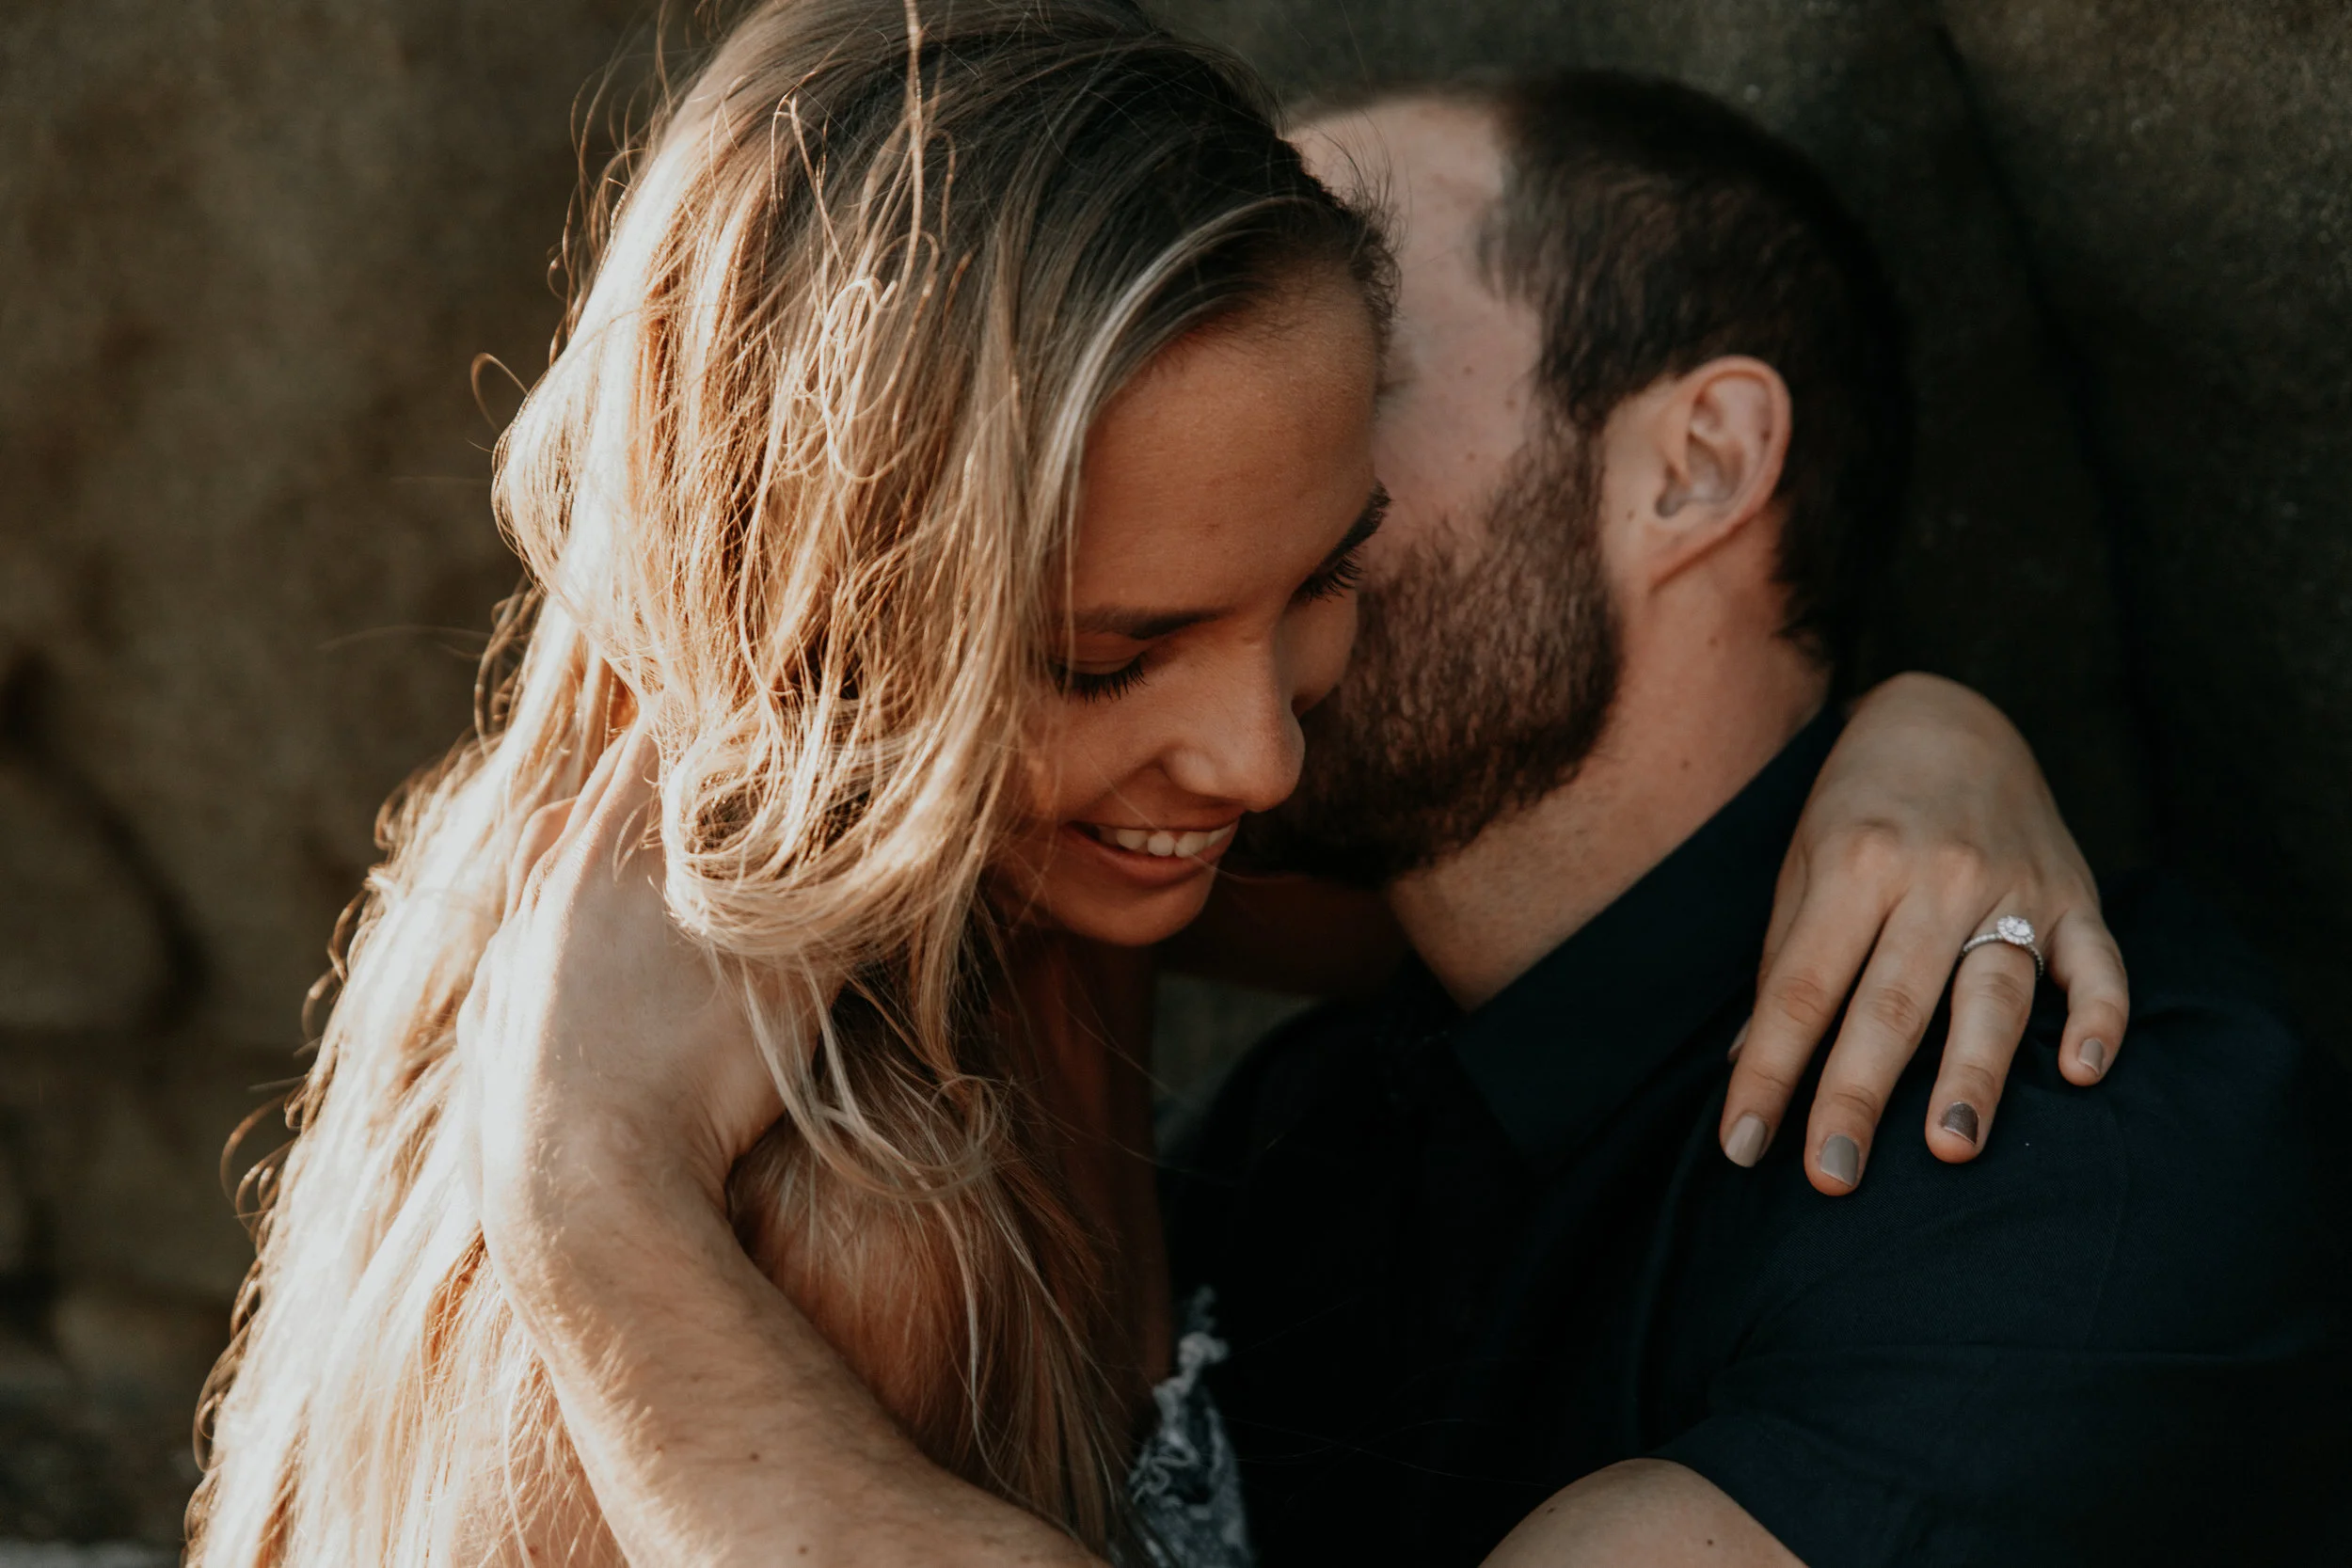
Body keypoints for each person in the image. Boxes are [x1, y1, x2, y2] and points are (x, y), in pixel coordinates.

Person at [189, 7, 2137, 1563]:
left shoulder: (1049, 877)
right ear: (837, 601)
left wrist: (1917, 734)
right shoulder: (817, 1197)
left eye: (1315, 574)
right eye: (1108, 653)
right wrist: (584, 1199)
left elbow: (1558, 873)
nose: (1257, 756)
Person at [1165, 74, 2352, 1565]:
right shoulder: (1315, 1129)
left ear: (1700, 465)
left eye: (1351, 352)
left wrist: (758, 1365)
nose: (1217, 452)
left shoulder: (2065, 1157)